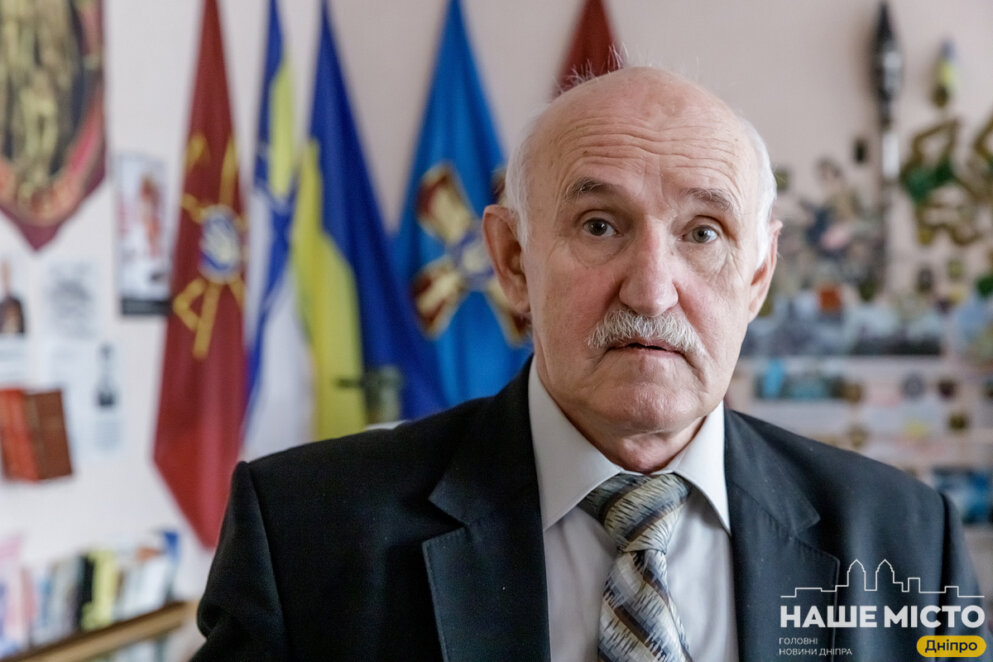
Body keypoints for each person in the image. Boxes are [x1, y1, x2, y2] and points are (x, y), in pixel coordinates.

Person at [193, 67, 990, 661]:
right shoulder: (306, 532)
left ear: (757, 276)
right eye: (599, 225)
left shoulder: (908, 541)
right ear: (512, 259)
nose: (651, 290)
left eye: (703, 233)